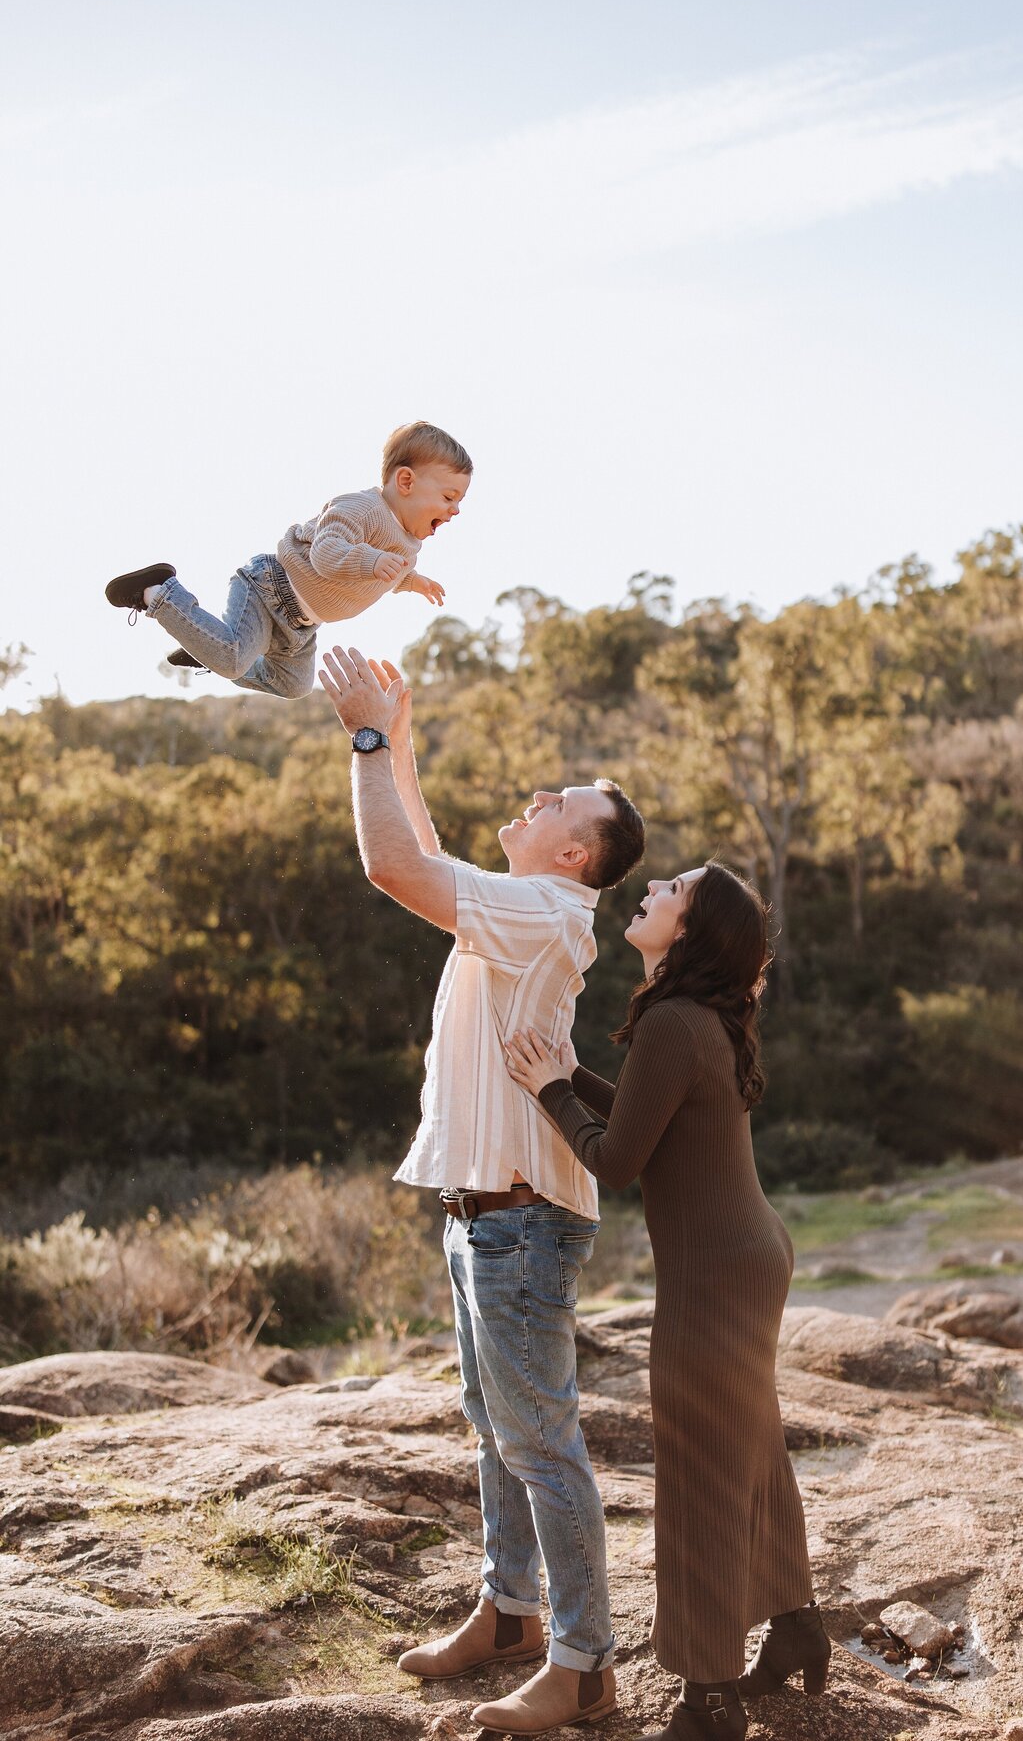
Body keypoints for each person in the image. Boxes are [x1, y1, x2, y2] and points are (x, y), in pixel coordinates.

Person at [319, 644, 646, 1737]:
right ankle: (509, 1614)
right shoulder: (519, 903)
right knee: (494, 1429)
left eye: (568, 799)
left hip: (519, 1223)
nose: (545, 792)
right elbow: (422, 847)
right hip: (480, 1215)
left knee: (541, 1445)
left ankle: (584, 1662)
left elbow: (394, 868)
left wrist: (368, 738)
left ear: (574, 849)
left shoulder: (549, 913)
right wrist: (397, 731)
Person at [505, 861, 831, 1741]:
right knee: (750, 1444)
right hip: (748, 1254)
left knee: (699, 1471)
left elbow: (614, 1161)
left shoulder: (678, 1022)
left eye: (673, 889)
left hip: (718, 1273)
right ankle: (796, 1624)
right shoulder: (696, 1023)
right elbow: (656, 1130)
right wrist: (569, 1079)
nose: (652, 888)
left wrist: (548, 1091)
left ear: (687, 931)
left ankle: (709, 1696)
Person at [103, 420, 469, 697]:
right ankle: (159, 591)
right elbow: (327, 555)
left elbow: (387, 573)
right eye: (449, 497)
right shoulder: (362, 508)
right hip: (270, 590)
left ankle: (207, 648)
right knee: (233, 659)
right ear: (405, 482)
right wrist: (371, 562)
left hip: (301, 624)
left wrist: (411, 581)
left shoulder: (407, 542)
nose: (455, 511)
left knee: (294, 687)